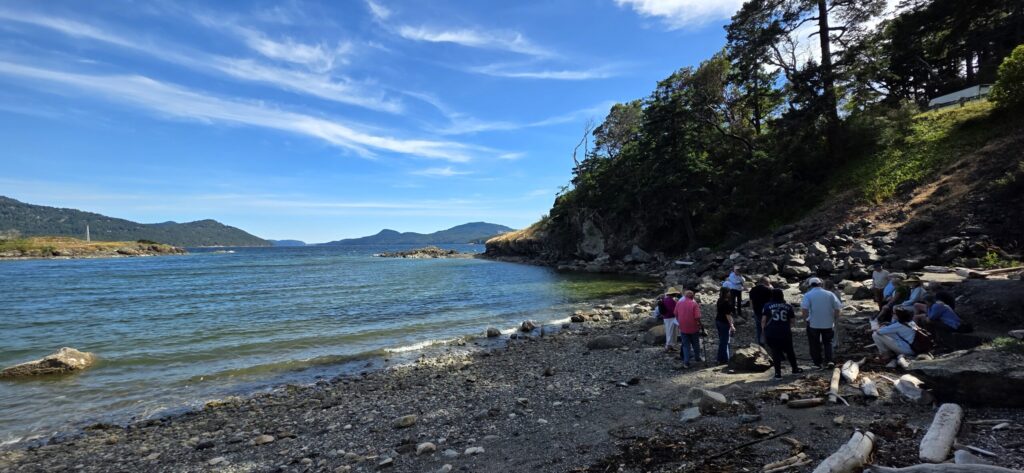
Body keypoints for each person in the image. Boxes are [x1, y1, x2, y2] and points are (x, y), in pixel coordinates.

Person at [761, 288, 804, 379]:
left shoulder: (767, 305)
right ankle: (795, 369)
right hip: (785, 332)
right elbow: (792, 321)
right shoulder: (788, 306)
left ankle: (778, 374)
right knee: (790, 351)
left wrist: (763, 330)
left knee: (775, 352)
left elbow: (763, 320)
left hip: (772, 332)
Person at [800, 277, 842, 369]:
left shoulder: (808, 295)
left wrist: (806, 320)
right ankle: (829, 360)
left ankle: (817, 362)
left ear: (810, 285)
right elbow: (838, 308)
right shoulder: (829, 294)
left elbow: (804, 309)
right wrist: (834, 318)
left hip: (813, 323)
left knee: (814, 343)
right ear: (820, 284)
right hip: (828, 323)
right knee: (828, 342)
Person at [674, 290, 702, 368]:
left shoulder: (679, 303)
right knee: (695, 343)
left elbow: (675, 313)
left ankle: (686, 362)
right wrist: (699, 324)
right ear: (692, 297)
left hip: (683, 326)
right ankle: (697, 358)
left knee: (686, 345)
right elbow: (697, 317)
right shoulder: (694, 304)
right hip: (693, 327)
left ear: (685, 296)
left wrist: (679, 320)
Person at [748, 277, 773, 346]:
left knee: (759, 329)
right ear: (766, 282)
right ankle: (770, 344)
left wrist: (752, 311)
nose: (769, 284)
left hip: (757, 312)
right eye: (769, 282)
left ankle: (761, 345)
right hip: (767, 312)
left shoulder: (752, 290)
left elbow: (751, 303)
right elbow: (772, 301)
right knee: (769, 328)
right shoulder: (769, 290)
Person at [715, 287, 736, 364]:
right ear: (726, 293)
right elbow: (728, 315)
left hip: (718, 321)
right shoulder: (727, 303)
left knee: (722, 341)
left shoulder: (719, 300)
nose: (730, 293)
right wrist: (732, 326)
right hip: (724, 322)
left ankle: (720, 358)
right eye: (729, 292)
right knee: (725, 342)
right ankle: (725, 360)